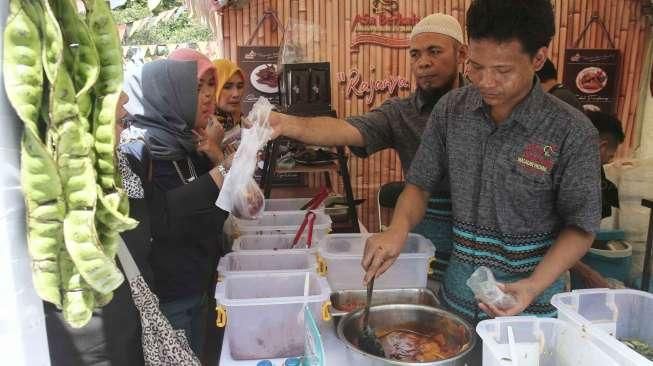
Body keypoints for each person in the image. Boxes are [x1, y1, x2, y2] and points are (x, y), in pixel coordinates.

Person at [362, 0, 601, 323]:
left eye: (502, 70)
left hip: (532, 311)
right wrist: (397, 229)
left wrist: (532, 286)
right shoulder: (451, 111)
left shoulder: (570, 131)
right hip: (456, 302)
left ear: (539, 58)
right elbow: (419, 186)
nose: (485, 81)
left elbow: (581, 227)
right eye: (475, 66)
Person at [269, 13, 468, 280]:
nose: (423, 63)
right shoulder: (400, 113)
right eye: (415, 54)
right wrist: (287, 124)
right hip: (422, 252)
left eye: (434, 51)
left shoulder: (485, 108)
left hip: (474, 250)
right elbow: (346, 129)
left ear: (462, 54)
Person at [119, 56, 230, 357]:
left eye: (210, 85)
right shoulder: (145, 152)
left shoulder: (189, 147)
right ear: (169, 94)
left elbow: (211, 214)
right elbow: (164, 221)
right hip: (172, 295)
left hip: (199, 285)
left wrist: (218, 161)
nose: (208, 96)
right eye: (195, 88)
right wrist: (224, 170)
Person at [571, 111, 625, 288]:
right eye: (609, 157)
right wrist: (586, 272)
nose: (607, 162)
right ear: (602, 146)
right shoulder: (574, 179)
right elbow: (548, 237)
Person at [213, 59, 246, 131]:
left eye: (240, 87)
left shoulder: (240, 119)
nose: (236, 94)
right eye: (227, 87)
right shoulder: (202, 128)